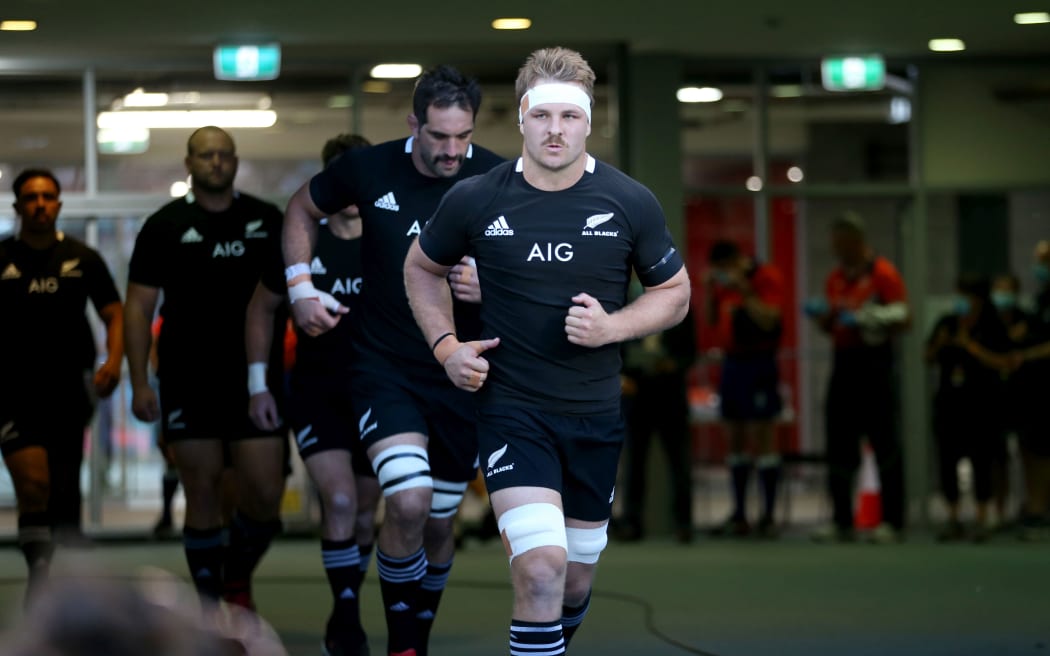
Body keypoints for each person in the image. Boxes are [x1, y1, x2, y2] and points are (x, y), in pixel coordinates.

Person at [404, 46, 691, 656]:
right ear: (522, 120)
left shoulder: (628, 200)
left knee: (573, 579)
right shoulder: (477, 198)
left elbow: (674, 293)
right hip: (513, 412)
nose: (554, 130)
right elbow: (421, 269)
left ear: (589, 122)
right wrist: (446, 344)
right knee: (539, 570)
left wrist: (613, 328)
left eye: (568, 116)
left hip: (594, 416)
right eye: (541, 116)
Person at [281, 66, 503, 656]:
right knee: (407, 499)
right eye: (439, 137)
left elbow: (533, 271)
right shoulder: (367, 168)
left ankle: (414, 638)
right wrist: (300, 286)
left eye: (463, 137)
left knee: (438, 522)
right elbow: (301, 209)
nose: (452, 151)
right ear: (414, 124)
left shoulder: (499, 177)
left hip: (462, 375)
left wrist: (492, 282)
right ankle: (401, 642)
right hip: (384, 368)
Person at [124, 127, 289, 611]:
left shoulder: (266, 219)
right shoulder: (165, 224)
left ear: (235, 162)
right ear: (189, 163)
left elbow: (293, 292)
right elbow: (138, 308)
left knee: (263, 495)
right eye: (205, 155)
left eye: (224, 155)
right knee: (201, 488)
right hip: (187, 378)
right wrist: (139, 381)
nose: (216, 162)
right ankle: (210, 605)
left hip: (255, 380)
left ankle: (235, 576)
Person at [246, 133, 382, 656]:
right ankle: (344, 618)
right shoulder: (301, 239)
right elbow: (259, 310)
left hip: (379, 394)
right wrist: (258, 385)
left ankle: (350, 593)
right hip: (316, 392)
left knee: (366, 510)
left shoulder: (389, 239)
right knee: (341, 500)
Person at [0, 168, 123, 604]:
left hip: (71, 391)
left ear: (58, 204)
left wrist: (114, 358)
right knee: (34, 485)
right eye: (31, 198)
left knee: (65, 494)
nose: (40, 204)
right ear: (17, 207)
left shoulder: (83, 257)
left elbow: (114, 312)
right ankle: (40, 576)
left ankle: (68, 581)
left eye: (48, 197)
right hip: (13, 394)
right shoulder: (0, 259)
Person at [805, 211, 909, 543]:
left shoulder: (883, 274)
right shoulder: (836, 277)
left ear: (856, 242)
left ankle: (892, 521)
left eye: (841, 244)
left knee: (884, 442)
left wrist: (868, 319)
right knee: (839, 443)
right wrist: (823, 318)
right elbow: (831, 323)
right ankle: (841, 521)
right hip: (844, 363)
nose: (836, 250)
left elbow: (905, 318)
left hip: (875, 366)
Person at [705, 240, 786, 539]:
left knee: (764, 435)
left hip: (760, 362)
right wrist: (712, 292)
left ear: (738, 262)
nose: (723, 274)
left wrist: (745, 290)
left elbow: (770, 318)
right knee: (735, 436)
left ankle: (769, 515)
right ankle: (739, 513)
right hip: (733, 364)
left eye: (725, 269)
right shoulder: (721, 286)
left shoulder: (765, 277)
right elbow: (712, 321)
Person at [925, 274, 1012, 542]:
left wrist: (971, 347)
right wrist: (941, 343)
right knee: (948, 460)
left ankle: (982, 517)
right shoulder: (947, 323)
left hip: (981, 405)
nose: (962, 300)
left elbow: (1006, 361)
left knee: (981, 461)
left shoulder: (992, 326)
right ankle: (953, 518)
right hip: (950, 404)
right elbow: (927, 356)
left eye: (967, 295)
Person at [616, 295, 696, 543]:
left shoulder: (680, 306)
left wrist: (672, 364)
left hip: (670, 394)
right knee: (635, 461)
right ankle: (632, 521)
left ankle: (683, 523)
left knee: (679, 460)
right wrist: (623, 374)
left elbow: (690, 351)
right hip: (638, 393)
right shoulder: (628, 305)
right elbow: (620, 345)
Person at [1009, 241, 1050, 540]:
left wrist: (1029, 354)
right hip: (1032, 387)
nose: (1039, 267)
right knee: (1031, 448)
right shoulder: (1041, 299)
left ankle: (1042, 508)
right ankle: (1035, 506)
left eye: (1044, 261)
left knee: (1045, 450)